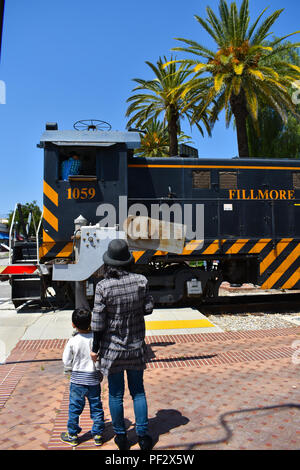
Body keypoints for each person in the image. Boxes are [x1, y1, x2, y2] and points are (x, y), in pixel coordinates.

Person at [90, 239, 154, 451]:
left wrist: (95, 348)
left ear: (109, 262)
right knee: (138, 391)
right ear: (128, 260)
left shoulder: (103, 286)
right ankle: (143, 436)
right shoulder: (141, 281)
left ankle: (121, 437)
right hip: (135, 345)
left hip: (112, 349)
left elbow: (98, 322)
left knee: (115, 393)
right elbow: (148, 308)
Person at [61, 308, 105, 447]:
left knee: (74, 408)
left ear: (73, 324)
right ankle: (98, 434)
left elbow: (66, 361)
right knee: (96, 406)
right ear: (91, 322)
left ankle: (72, 434)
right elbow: (100, 357)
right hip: (93, 379)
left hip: (77, 380)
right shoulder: (95, 339)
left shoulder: (73, 341)